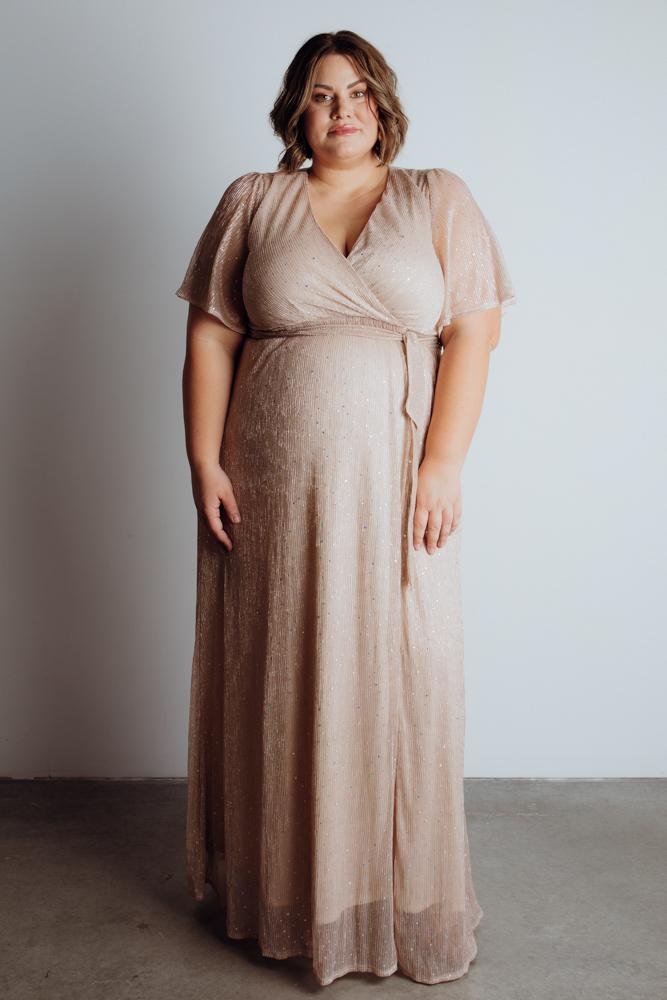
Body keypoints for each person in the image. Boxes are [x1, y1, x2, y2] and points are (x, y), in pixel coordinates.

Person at [174, 29, 516, 988]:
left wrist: (443, 462)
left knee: (404, 674)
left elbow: (473, 336)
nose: (343, 111)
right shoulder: (253, 200)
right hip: (272, 484)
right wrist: (203, 460)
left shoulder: (434, 197)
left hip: (398, 479)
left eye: (358, 92)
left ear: (384, 104)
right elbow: (210, 337)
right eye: (322, 95)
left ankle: (398, 903)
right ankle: (288, 895)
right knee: (282, 670)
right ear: (296, 110)